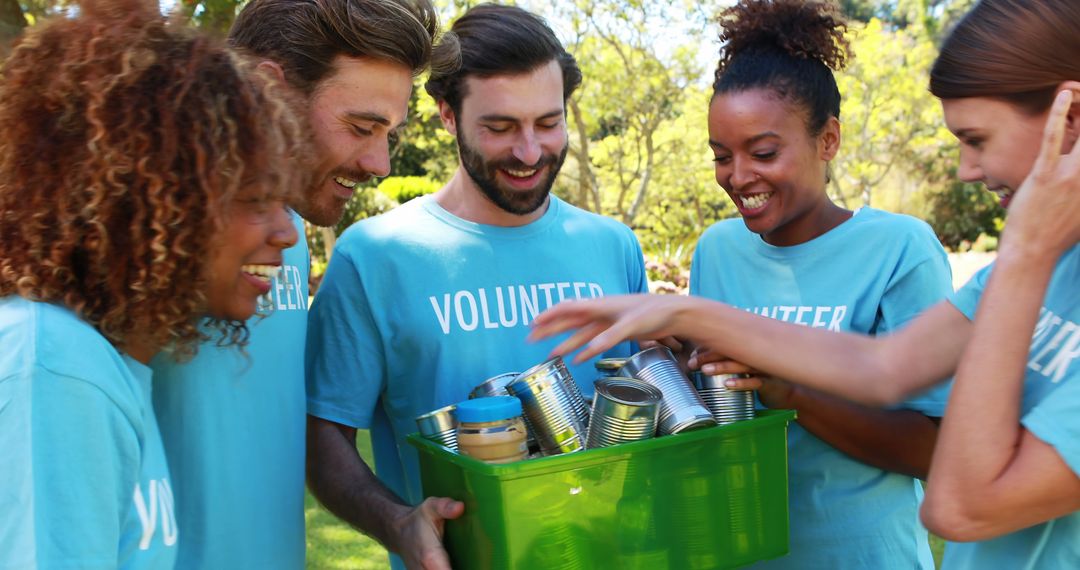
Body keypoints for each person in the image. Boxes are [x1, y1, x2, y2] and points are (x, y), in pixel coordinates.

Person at [530, 0, 1080, 567]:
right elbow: (884, 367)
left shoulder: (963, 256)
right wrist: (683, 327)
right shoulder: (1014, 274)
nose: (965, 169)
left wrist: (1027, 253)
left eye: (977, 140)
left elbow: (954, 500)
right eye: (722, 156)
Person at [304, 3, 648, 568]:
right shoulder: (374, 257)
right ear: (447, 115)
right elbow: (322, 439)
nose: (530, 152)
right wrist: (398, 524)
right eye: (500, 127)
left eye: (548, 122)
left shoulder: (614, 246)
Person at [147, 1, 457, 567]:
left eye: (388, 132)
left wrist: (397, 524)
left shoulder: (279, 238)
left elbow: (299, 434)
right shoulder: (155, 233)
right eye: (362, 127)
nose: (380, 163)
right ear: (268, 92)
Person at [0, 0, 306, 567]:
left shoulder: (107, 366)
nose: (287, 233)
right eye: (256, 201)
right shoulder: (54, 368)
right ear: (149, 203)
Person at [681, 1, 951, 567]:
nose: (738, 176)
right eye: (721, 156)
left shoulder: (899, 250)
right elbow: (718, 410)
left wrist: (788, 390)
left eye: (763, 152)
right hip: (743, 552)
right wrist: (680, 365)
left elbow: (935, 448)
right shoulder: (717, 251)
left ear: (827, 139)